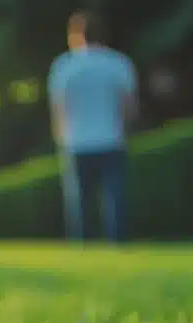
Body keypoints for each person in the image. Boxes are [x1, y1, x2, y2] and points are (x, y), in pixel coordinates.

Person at [47, 10, 138, 242]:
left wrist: (61, 139)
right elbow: (128, 106)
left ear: (75, 35)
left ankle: (83, 250)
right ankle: (118, 246)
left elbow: (59, 109)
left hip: (76, 142)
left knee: (80, 204)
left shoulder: (64, 67)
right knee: (115, 200)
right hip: (112, 139)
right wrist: (125, 131)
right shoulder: (118, 63)